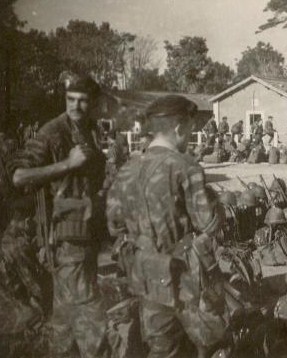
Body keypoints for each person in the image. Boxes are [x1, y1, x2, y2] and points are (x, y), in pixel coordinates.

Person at [107, 95, 226, 358]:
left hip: (143, 273)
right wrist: (216, 202)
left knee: (161, 347)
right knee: (208, 342)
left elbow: (114, 225)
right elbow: (207, 222)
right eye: (190, 128)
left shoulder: (127, 169)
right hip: (181, 277)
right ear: (179, 128)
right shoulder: (186, 167)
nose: (190, 135)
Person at [11, 72, 108, 357]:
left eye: (82, 101)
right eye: (70, 100)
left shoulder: (90, 129)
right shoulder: (52, 131)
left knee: (65, 321)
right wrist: (68, 163)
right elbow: (18, 176)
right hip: (65, 239)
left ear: (94, 103)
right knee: (91, 316)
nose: (75, 106)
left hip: (83, 236)